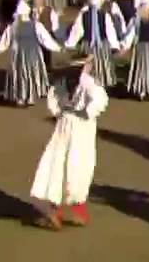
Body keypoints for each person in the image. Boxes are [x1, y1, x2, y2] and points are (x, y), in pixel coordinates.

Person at [29, 57, 109, 231]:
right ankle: (73, 209)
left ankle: (63, 208)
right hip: (79, 125)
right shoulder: (86, 82)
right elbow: (99, 100)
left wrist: (62, 112)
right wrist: (85, 112)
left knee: (62, 162)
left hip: (69, 123)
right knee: (74, 163)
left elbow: (53, 101)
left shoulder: (67, 82)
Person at [0, 0, 62, 107]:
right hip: (32, 55)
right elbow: (46, 40)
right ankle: (30, 97)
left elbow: (5, 43)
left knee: (20, 75)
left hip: (18, 55)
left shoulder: (13, 27)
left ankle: (21, 97)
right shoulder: (35, 25)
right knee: (31, 74)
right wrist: (58, 48)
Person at [63, 0, 121, 90]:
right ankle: (99, 82)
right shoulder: (90, 15)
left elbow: (78, 30)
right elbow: (78, 29)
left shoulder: (99, 15)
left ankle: (98, 83)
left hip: (96, 44)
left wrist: (70, 43)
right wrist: (115, 45)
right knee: (97, 64)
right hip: (94, 44)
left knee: (97, 63)